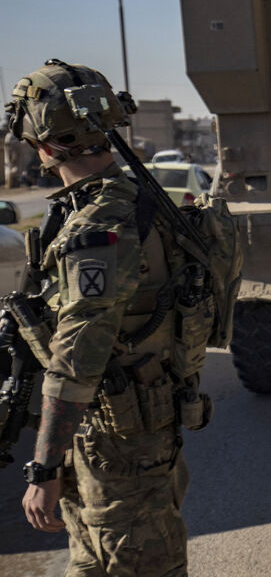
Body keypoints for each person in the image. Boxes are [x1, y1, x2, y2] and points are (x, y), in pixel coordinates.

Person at [9, 60, 215, 575]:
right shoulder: (122, 202)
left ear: (45, 142)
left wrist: (45, 468)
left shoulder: (102, 226)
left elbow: (77, 356)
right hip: (113, 438)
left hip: (119, 447)